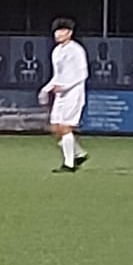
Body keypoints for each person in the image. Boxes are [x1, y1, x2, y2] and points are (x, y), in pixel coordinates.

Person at [38, 17, 89, 173]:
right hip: (61, 94)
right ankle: (79, 154)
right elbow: (58, 75)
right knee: (55, 128)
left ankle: (69, 164)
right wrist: (46, 89)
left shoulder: (76, 50)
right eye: (56, 31)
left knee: (65, 126)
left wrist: (65, 87)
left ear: (69, 33)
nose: (58, 34)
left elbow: (82, 74)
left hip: (74, 93)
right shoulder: (56, 51)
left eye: (61, 31)